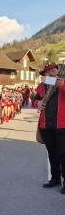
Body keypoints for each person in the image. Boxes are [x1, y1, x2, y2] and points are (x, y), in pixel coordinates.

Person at [35, 62, 65, 193]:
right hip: (46, 124)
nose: (51, 73)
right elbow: (35, 100)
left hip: (62, 125)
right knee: (52, 153)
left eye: (53, 70)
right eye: (48, 72)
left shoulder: (62, 83)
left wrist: (62, 85)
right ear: (45, 74)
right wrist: (38, 103)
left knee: (63, 154)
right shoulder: (41, 86)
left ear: (57, 71)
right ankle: (55, 178)